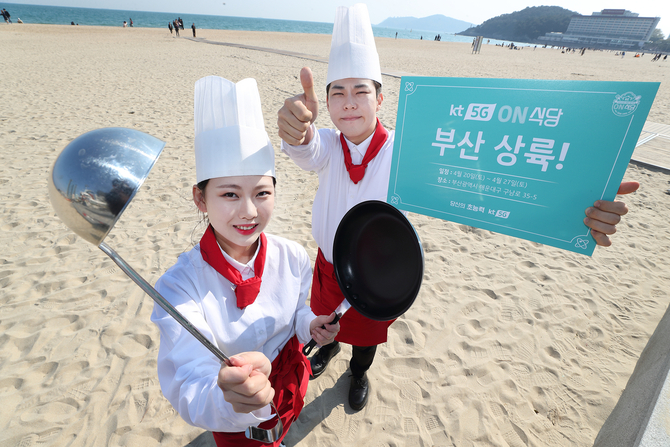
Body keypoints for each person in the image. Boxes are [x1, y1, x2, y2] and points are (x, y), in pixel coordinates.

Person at [277, 3, 639, 413]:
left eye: (360, 91)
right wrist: (297, 129)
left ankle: (359, 373)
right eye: (337, 93)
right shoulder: (327, 145)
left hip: (378, 272)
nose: (349, 103)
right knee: (325, 323)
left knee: (366, 339)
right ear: (326, 103)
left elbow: (489, 176)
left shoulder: (407, 149)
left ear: (380, 98)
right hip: (328, 265)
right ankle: (328, 351)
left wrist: (575, 196)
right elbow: (304, 147)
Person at [151, 76, 339, 447]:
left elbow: (294, 312)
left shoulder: (292, 255)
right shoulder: (179, 287)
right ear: (200, 198)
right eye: (230, 194)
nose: (249, 211)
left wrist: (309, 325)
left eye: (262, 193)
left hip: (289, 381)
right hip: (236, 419)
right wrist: (230, 396)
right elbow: (188, 381)